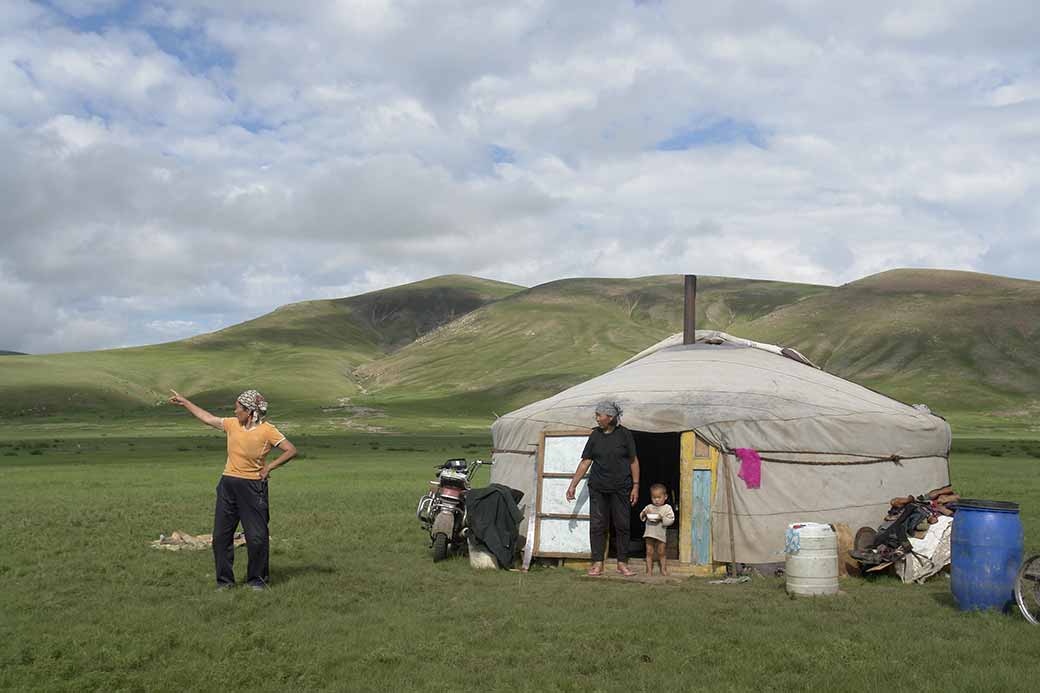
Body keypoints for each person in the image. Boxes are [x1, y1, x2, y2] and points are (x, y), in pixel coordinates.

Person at [168, 388, 298, 590]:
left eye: (238, 408)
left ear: (250, 411)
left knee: (256, 537)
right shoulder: (231, 424)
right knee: (220, 537)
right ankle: (225, 583)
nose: (235, 411)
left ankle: (257, 581)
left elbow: (291, 450)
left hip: (253, 488)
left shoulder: (268, 430)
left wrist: (269, 467)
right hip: (228, 485)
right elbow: (208, 418)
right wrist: (185, 402)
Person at [565, 401, 640, 577]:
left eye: (599, 415)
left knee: (622, 525)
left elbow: (633, 461)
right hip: (598, 487)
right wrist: (573, 485)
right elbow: (585, 461)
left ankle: (622, 563)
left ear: (610, 417)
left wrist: (635, 486)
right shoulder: (595, 436)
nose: (597, 418)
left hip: (621, 487)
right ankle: (597, 563)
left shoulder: (624, 435)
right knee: (598, 525)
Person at [639, 483, 675, 575]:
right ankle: (649, 571)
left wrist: (661, 518)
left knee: (661, 552)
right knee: (649, 552)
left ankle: (663, 570)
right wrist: (644, 514)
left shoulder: (667, 508)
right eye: (654, 498)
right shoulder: (649, 507)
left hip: (660, 534)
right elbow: (641, 516)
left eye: (659, 497)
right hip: (649, 533)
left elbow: (671, 520)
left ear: (665, 496)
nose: (656, 500)